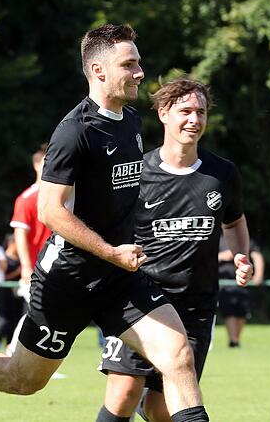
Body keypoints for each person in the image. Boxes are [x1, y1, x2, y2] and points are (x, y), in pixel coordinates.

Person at [0, 24, 213, 422]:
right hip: (67, 281)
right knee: (24, 379)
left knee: (177, 355)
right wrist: (110, 251)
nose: (140, 72)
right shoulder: (74, 132)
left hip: (119, 278)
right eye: (130, 64)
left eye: (138, 63)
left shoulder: (131, 122)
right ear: (98, 70)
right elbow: (50, 211)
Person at [97, 77, 253, 422]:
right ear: (164, 113)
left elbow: (235, 221)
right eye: (185, 111)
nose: (194, 120)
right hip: (140, 300)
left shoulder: (222, 174)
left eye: (201, 112)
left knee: (161, 410)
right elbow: (106, 225)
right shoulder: (135, 172)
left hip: (195, 306)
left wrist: (242, 256)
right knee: (123, 393)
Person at [6, 144, 52, 355]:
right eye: (45, 162)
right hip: (35, 268)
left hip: (54, 268)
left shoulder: (57, 197)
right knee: (36, 312)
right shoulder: (26, 199)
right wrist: (25, 266)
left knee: (44, 313)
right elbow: (20, 234)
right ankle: (13, 351)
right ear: (36, 166)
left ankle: (28, 357)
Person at [218, 238, 264, 348]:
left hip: (243, 283)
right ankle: (233, 340)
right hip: (225, 284)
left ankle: (235, 340)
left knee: (241, 312)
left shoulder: (244, 239)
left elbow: (257, 256)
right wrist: (222, 256)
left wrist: (258, 275)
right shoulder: (218, 240)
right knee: (230, 312)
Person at [0, 234, 24, 348]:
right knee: (5, 319)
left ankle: (12, 342)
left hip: (18, 294)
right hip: (5, 294)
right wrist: (17, 272)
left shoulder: (22, 259)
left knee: (17, 318)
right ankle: (1, 340)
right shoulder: (3, 258)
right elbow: (2, 277)